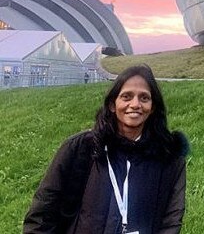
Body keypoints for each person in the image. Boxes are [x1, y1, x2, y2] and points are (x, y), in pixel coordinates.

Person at [23, 65, 189, 233]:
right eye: (126, 96)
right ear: (112, 104)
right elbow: (42, 214)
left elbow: (171, 221)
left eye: (144, 98)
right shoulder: (80, 149)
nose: (135, 104)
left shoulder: (169, 158)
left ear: (152, 107)